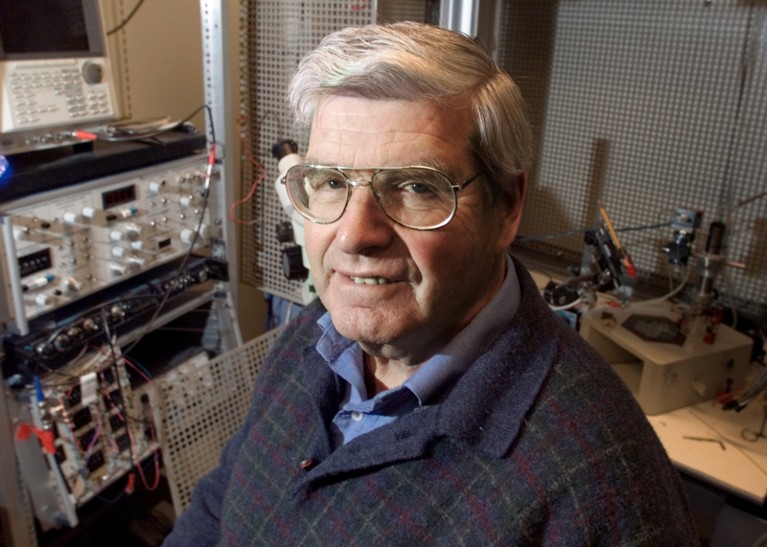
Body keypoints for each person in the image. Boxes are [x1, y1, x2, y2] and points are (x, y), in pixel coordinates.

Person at [164, 22, 697, 545]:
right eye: (329, 182)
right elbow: (222, 501)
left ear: (507, 206)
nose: (354, 235)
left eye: (417, 186)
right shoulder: (318, 333)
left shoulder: (598, 481)